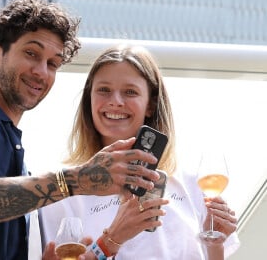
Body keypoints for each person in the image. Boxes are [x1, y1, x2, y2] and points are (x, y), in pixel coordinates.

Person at [0, 0, 161, 260]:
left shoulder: (16, 152)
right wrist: (76, 181)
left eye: (53, 64)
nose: (41, 72)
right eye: (31, 54)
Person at [39, 45, 240, 260]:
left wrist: (216, 246)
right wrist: (113, 238)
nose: (115, 101)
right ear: (89, 100)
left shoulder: (192, 183)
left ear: (150, 105)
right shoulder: (64, 190)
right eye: (104, 90)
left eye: (130, 92)